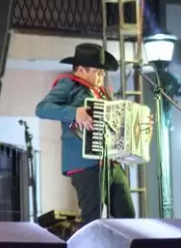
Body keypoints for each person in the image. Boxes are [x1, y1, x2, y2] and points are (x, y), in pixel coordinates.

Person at [35, 43, 136, 227]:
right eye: (98, 71)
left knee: (128, 216)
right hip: (85, 164)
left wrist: (140, 127)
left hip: (111, 163)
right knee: (92, 218)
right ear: (81, 70)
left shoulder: (103, 93)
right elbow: (42, 109)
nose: (102, 75)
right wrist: (75, 113)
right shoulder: (68, 85)